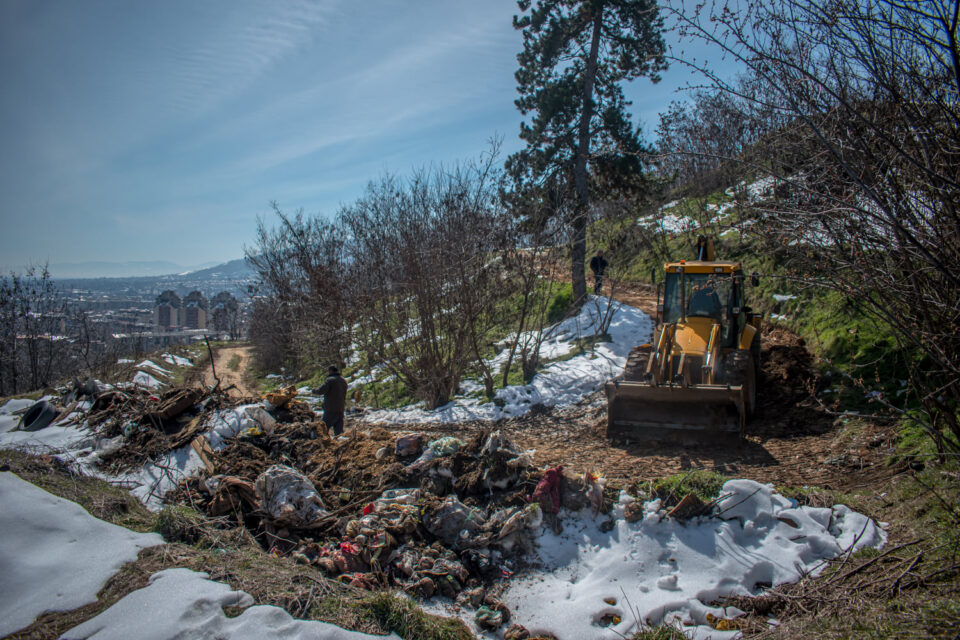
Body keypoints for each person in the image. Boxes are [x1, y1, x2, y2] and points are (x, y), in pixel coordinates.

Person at [313, 365, 348, 436]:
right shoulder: (343, 380)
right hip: (340, 409)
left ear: (330, 371)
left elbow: (321, 390)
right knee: (339, 433)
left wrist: (314, 390)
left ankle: (323, 444)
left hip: (331, 409)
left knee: (322, 430)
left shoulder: (330, 380)